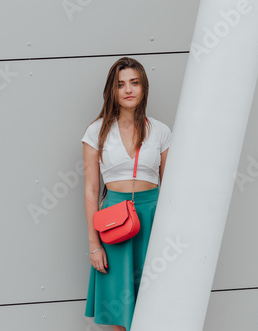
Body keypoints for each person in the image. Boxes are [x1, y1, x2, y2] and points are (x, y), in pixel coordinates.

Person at [81, 57, 171, 331]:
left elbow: (171, 188)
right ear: (113, 90)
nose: (128, 89)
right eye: (121, 84)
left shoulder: (160, 131)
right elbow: (91, 190)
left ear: (143, 87)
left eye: (134, 82)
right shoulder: (96, 131)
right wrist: (94, 245)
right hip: (114, 221)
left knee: (156, 302)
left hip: (153, 216)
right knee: (120, 309)